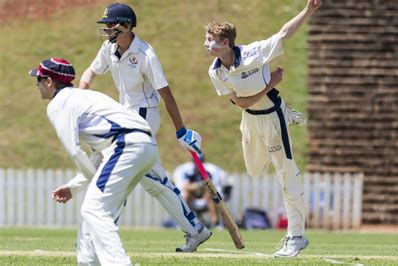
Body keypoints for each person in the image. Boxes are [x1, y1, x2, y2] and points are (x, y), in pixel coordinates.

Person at [52, 3, 210, 253]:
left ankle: (96, 236)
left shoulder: (146, 54)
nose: (106, 31)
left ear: (125, 26)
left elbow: (166, 94)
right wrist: (81, 95)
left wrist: (180, 130)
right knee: (153, 180)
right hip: (125, 116)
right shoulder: (109, 48)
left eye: (110, 26)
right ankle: (195, 230)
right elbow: (90, 72)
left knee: (116, 170)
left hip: (145, 116)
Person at [203, 0, 322, 258]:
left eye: (211, 39)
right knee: (255, 171)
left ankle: (296, 236)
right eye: (207, 38)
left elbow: (283, 34)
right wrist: (272, 83)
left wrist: (309, 9)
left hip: (272, 116)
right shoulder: (216, 72)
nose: (206, 43)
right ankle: (278, 146)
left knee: (285, 173)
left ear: (226, 43)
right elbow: (242, 102)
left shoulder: (255, 52)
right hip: (250, 118)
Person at [29, 57, 158, 265]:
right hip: (146, 146)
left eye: (39, 80)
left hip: (127, 145)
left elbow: (74, 151)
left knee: (94, 209)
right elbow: (99, 154)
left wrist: (93, 181)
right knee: (94, 210)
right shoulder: (87, 97)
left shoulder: (58, 104)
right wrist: (75, 186)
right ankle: (87, 262)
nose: (37, 86)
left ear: (49, 82)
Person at [172, 154, 227, 228]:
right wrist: (198, 186)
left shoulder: (208, 173)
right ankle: (183, 221)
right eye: (195, 162)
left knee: (211, 195)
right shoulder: (190, 173)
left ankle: (215, 222)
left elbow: (211, 187)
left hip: (205, 196)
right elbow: (186, 186)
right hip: (193, 195)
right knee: (186, 195)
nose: (197, 164)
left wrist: (200, 187)